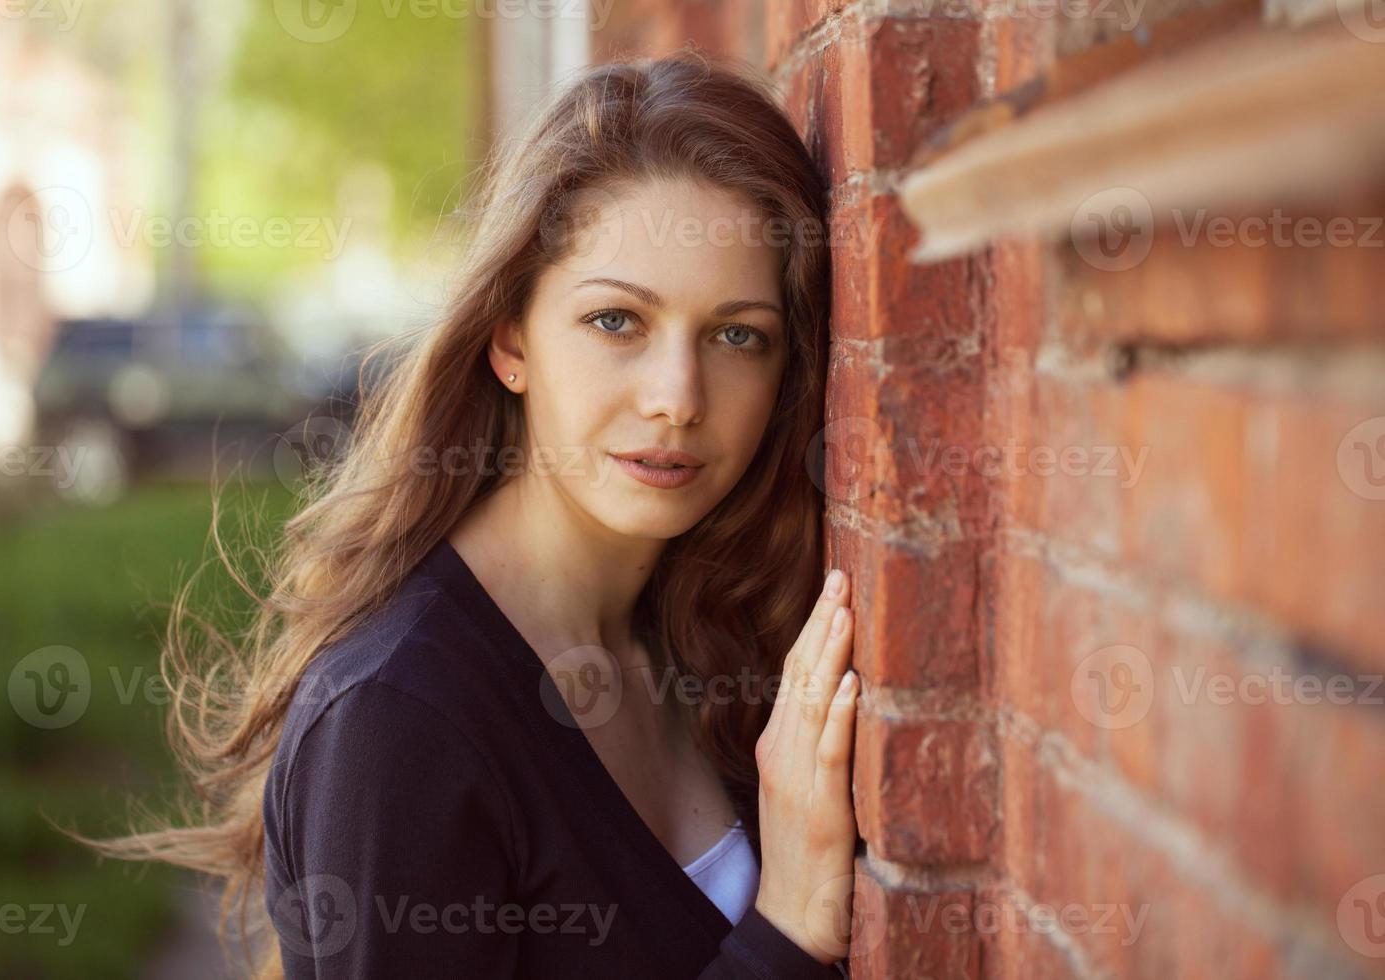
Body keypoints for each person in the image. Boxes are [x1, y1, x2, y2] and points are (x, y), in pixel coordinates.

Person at [86, 49, 861, 979]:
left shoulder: (715, 631)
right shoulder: (400, 719)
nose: (677, 397)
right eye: (617, 321)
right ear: (510, 340)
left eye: (738, 335)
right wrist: (788, 931)